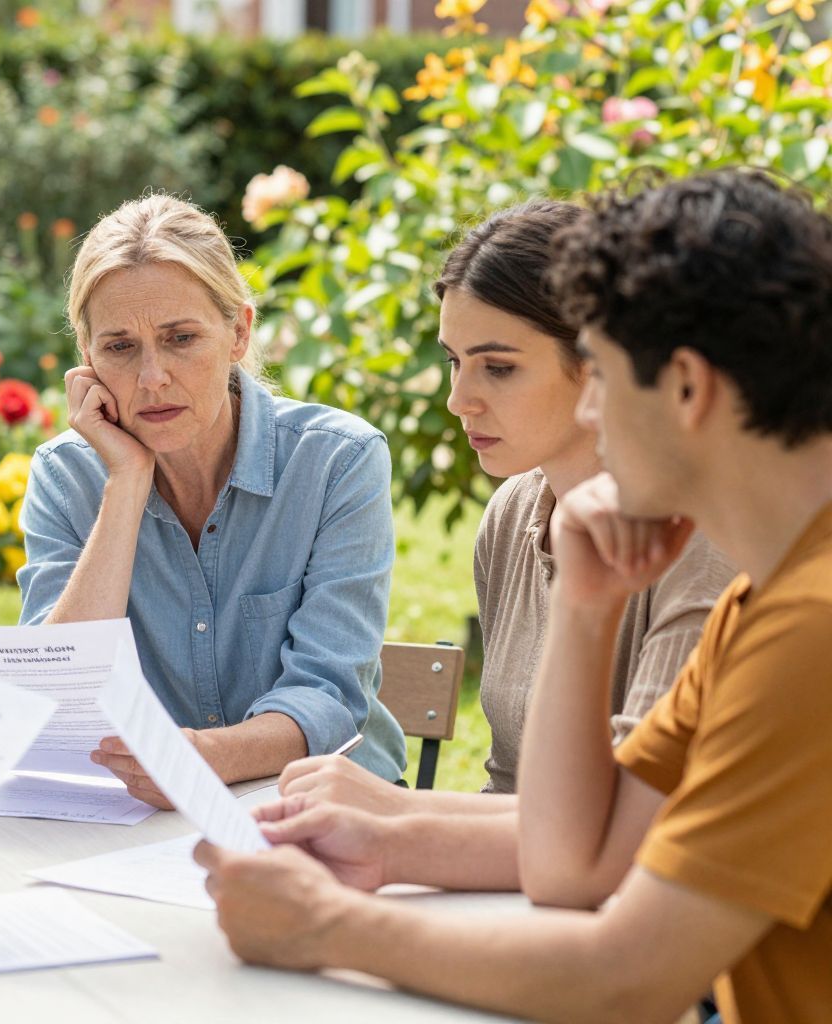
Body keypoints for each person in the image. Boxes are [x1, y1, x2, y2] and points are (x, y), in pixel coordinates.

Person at [198, 169, 832, 1023]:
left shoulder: (811, 628)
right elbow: (573, 865)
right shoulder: (765, 602)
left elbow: (629, 979)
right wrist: (585, 600)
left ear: (686, 387)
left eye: (601, 373)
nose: (593, 412)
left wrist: (324, 926)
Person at [266, 200, 735, 895]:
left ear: (598, 364)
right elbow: (513, 788)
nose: (459, 399)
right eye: (454, 362)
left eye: (499, 368)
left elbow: (646, 839)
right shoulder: (515, 512)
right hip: (521, 900)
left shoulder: (703, 540)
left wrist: (398, 816)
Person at [18, 193, 407, 805]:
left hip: (322, 801)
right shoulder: (68, 477)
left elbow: (328, 693)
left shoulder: (338, 461)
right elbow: (56, 695)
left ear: (238, 332)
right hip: (142, 818)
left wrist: (201, 759)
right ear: (86, 360)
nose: (152, 377)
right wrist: (124, 484)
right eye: (120, 347)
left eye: (180, 338)